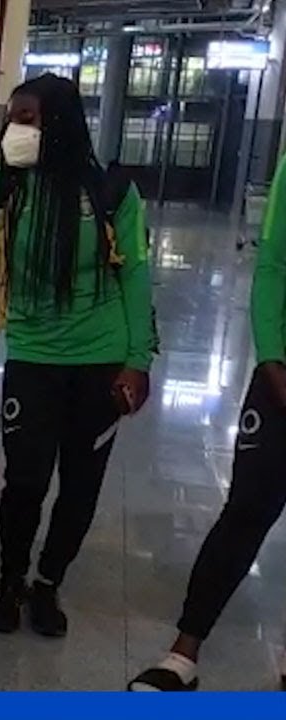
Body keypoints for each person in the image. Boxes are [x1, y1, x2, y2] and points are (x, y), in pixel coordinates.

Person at [0, 73, 155, 639]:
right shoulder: (2, 187)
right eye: (12, 118)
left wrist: (137, 360)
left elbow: (139, 277)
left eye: (28, 118)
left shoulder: (112, 192)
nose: (14, 130)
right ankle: (12, 577)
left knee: (80, 482)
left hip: (101, 358)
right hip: (34, 358)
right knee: (25, 478)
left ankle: (49, 582)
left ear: (60, 125)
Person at [127, 153, 286, 692]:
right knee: (245, 510)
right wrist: (272, 363)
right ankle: (183, 653)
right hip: (282, 379)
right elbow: (273, 266)